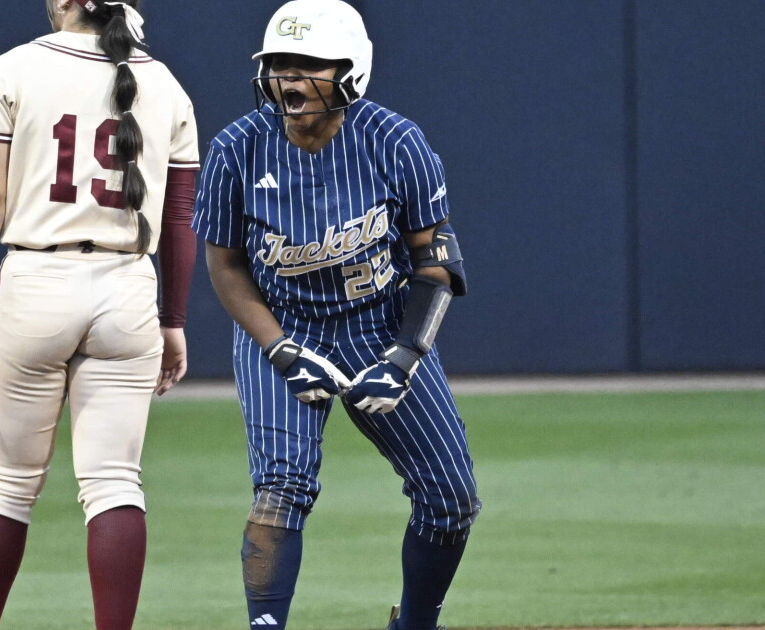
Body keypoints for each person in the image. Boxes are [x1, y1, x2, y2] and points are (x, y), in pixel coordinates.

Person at [192, 2, 480, 629]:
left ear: (351, 72)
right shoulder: (236, 149)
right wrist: (277, 348)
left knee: (450, 498)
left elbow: (435, 265)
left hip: (379, 326)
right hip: (282, 326)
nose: (289, 82)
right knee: (281, 489)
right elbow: (227, 268)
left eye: (307, 66)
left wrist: (404, 358)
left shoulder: (397, 143)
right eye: (277, 67)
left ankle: (415, 623)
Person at [0, 1, 199, 628]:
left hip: (37, 280)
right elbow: (179, 220)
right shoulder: (166, 83)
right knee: (114, 483)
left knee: (7, 482)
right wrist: (173, 320)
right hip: (129, 287)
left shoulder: (14, 68)